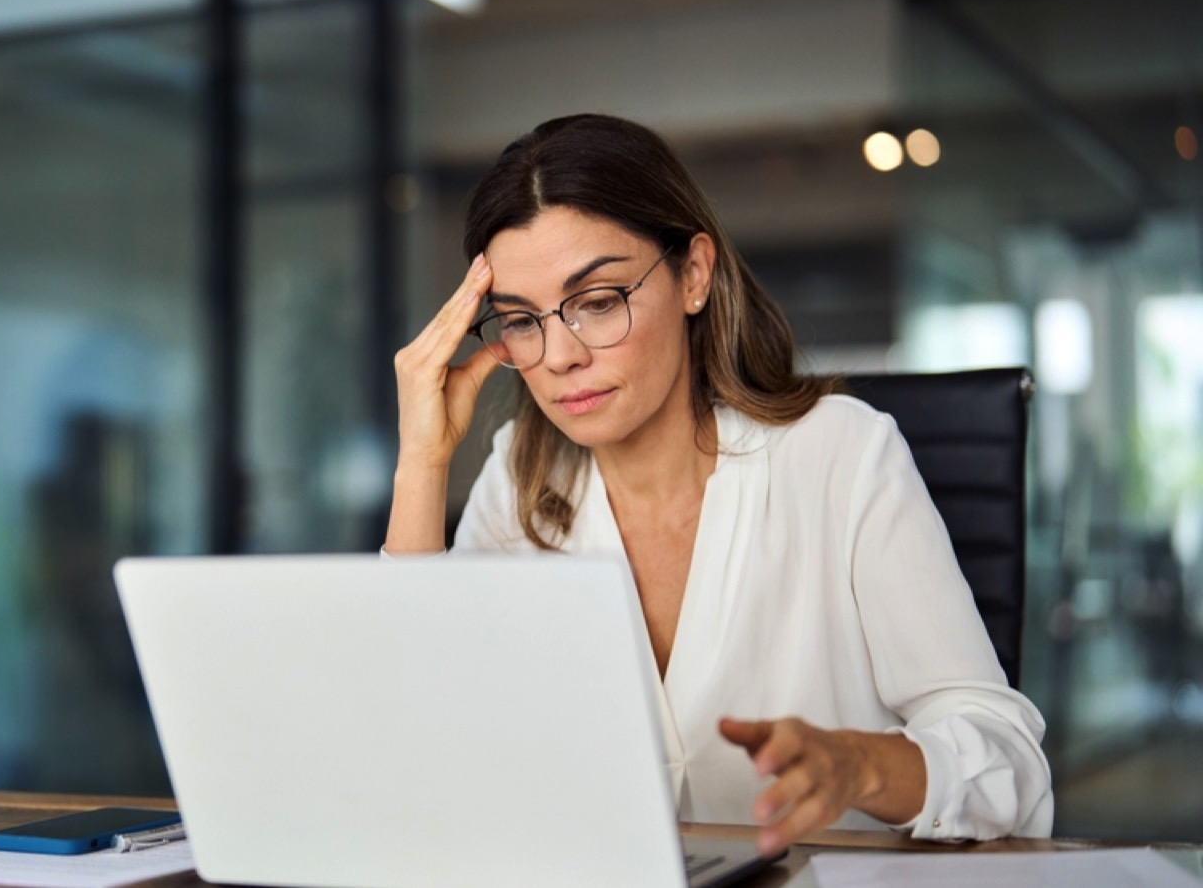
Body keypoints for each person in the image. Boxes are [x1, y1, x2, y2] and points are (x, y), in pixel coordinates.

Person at [385, 113, 1053, 855]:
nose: (560, 356)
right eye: (520, 320)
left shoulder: (840, 454)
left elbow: (1010, 759)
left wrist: (860, 764)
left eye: (599, 301)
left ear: (694, 274)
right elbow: (420, 755)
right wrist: (422, 464)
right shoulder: (520, 479)